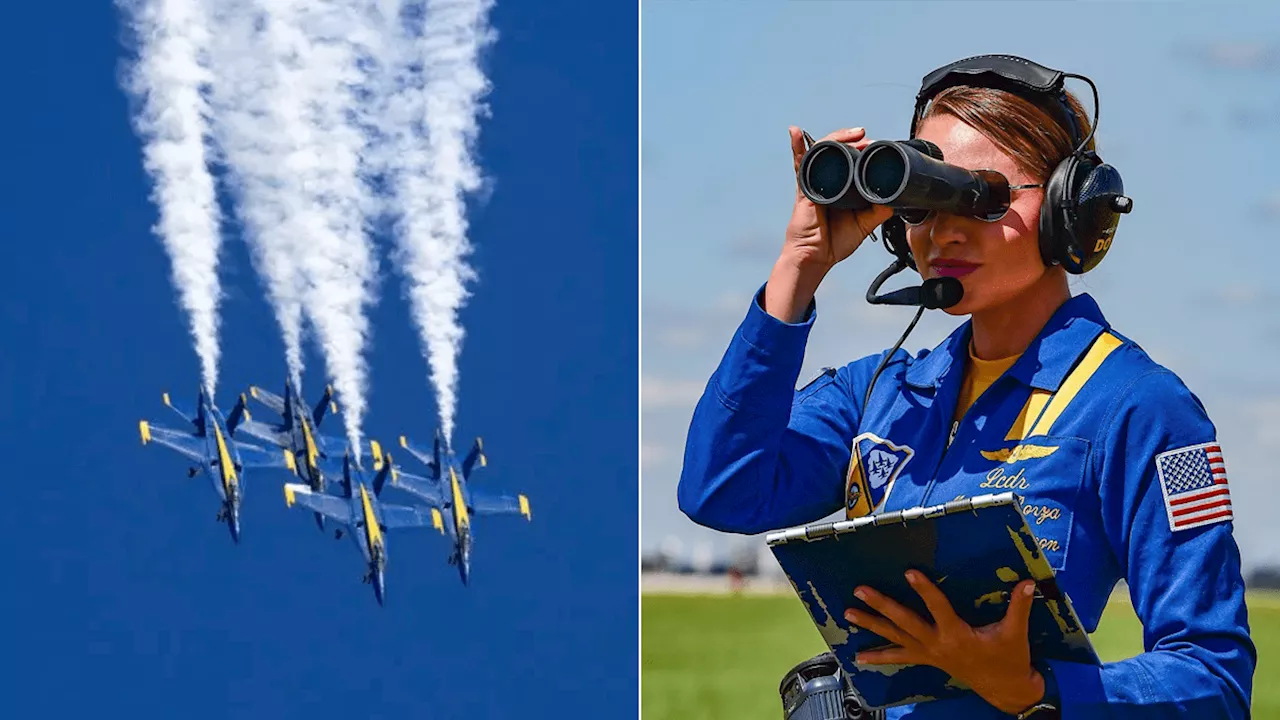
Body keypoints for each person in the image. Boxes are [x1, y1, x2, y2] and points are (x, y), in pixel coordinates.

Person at [676, 54, 1256, 719]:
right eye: (924, 201)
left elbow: (1214, 682)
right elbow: (721, 490)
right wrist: (798, 270)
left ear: (1072, 209)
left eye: (982, 196)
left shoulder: (1140, 407)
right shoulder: (881, 393)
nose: (945, 230)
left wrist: (1037, 694)